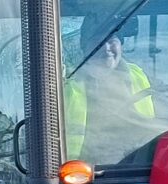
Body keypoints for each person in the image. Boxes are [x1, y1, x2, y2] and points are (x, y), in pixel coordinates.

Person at [64, 15, 155, 165]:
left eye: (112, 40)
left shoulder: (138, 75)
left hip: (140, 163)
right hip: (85, 169)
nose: (106, 48)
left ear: (121, 45)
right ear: (84, 47)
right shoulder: (66, 86)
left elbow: (163, 111)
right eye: (98, 41)